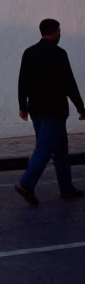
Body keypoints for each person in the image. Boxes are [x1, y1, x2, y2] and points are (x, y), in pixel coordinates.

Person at [14, 18, 85, 206]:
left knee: (60, 149)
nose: (60, 34)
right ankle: (26, 184)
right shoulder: (59, 53)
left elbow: (23, 80)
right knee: (45, 147)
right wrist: (80, 106)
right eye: (59, 31)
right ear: (54, 32)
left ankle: (67, 188)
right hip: (54, 110)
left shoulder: (30, 52)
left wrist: (22, 105)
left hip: (36, 108)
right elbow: (68, 82)